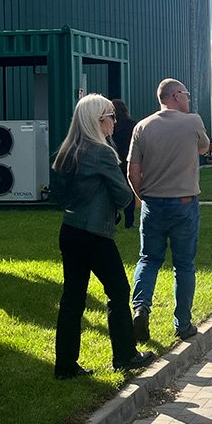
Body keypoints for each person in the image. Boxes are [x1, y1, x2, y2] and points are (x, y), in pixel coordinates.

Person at [51, 94, 154, 379]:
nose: (115, 121)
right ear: (97, 121)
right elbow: (123, 195)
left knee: (72, 298)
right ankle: (125, 355)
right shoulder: (102, 152)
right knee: (119, 292)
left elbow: (59, 196)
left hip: (70, 229)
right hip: (95, 234)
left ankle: (65, 366)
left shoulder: (67, 151)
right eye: (110, 116)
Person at [128, 78, 211, 341]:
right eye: (186, 93)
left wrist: (141, 197)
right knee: (184, 265)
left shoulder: (142, 126)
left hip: (153, 203)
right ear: (176, 95)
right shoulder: (193, 121)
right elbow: (204, 147)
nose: (188, 98)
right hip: (184, 203)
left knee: (148, 259)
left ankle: (141, 308)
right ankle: (183, 324)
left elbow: (132, 171)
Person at [111, 98, 136, 229]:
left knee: (112, 190)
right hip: (128, 160)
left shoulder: (111, 126)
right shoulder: (132, 125)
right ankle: (129, 222)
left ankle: (113, 217)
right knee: (129, 191)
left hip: (113, 160)